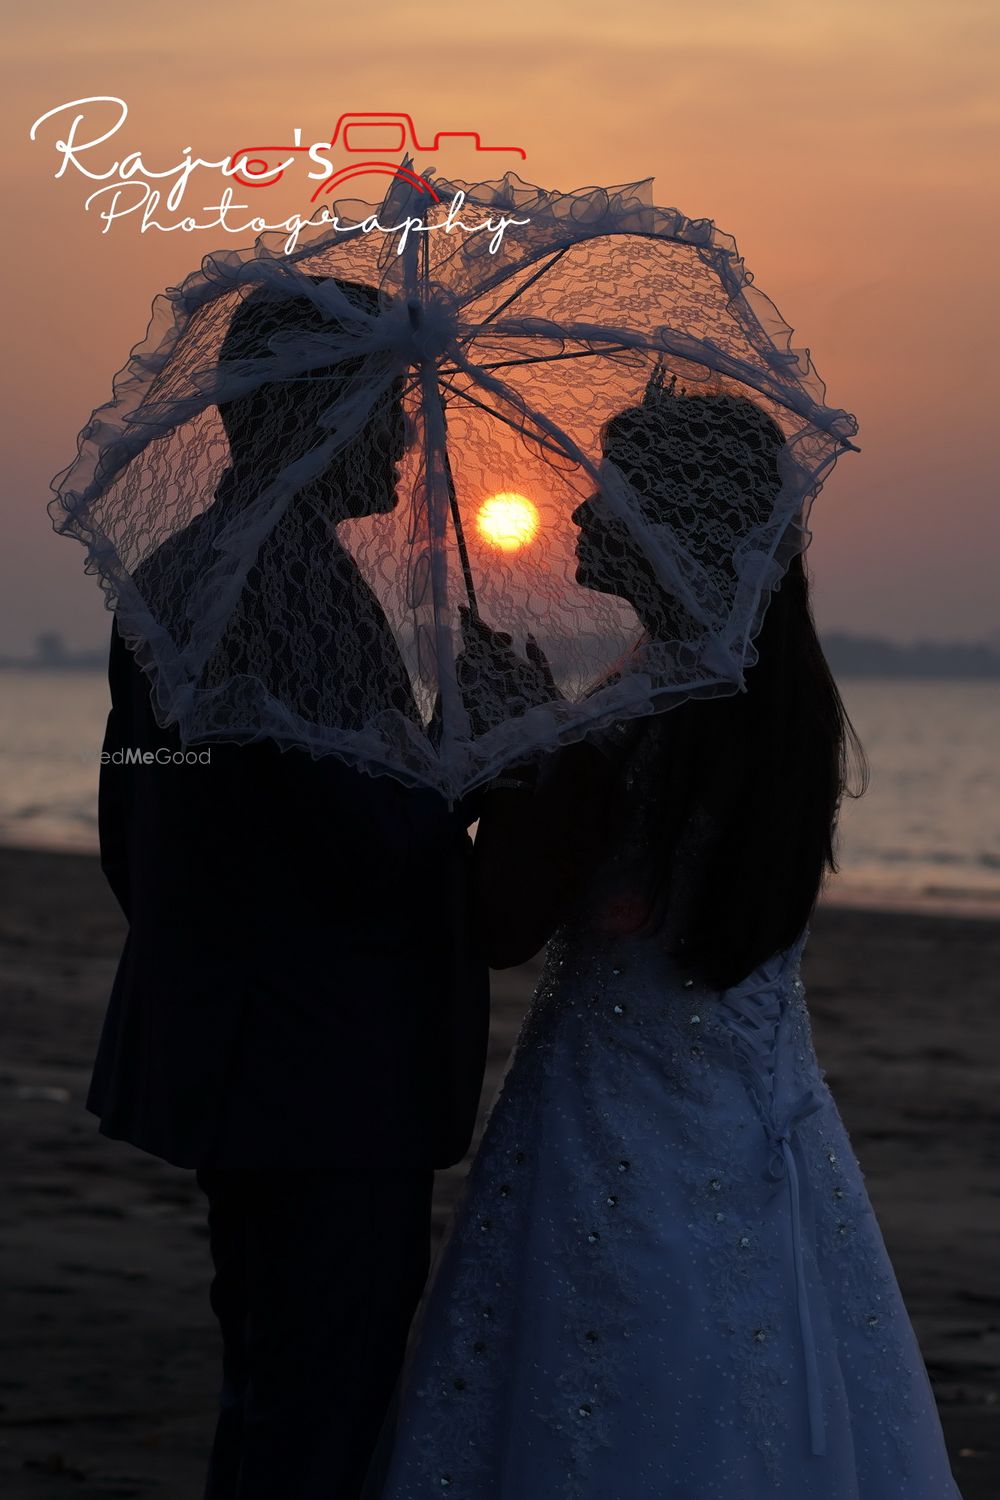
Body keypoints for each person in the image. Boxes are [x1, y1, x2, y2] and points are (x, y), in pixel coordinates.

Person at [371, 386, 964, 1497]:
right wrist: (548, 736)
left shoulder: (631, 726)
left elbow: (504, 923)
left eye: (609, 496)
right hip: (758, 1122)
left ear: (668, 528)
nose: (582, 517)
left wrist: (514, 750)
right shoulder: (766, 702)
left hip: (608, 1124)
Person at [91, 277, 490, 1499]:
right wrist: (471, 760)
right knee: (319, 1407)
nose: (407, 436)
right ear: (315, 410)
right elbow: (370, 840)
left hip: (243, 1060)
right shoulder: (293, 588)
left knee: (270, 1387)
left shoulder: (184, 567)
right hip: (325, 1076)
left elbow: (144, 806)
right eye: (385, 407)